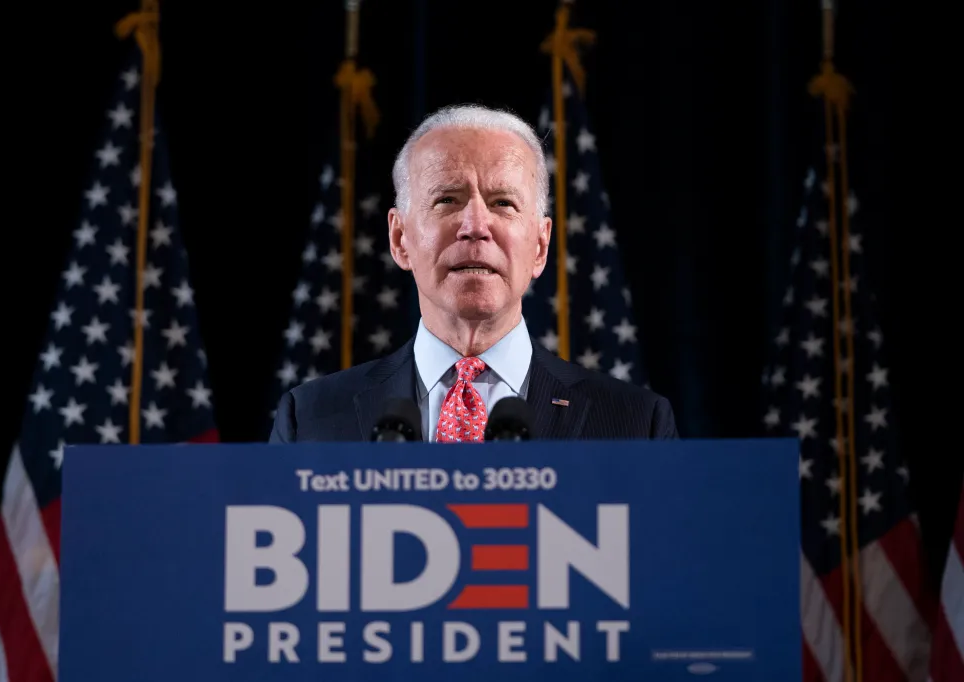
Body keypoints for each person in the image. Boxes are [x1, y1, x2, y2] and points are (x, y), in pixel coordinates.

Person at [269, 104, 678, 442]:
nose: (476, 225)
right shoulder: (309, 421)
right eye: (447, 199)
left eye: (503, 202)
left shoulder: (637, 426)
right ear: (399, 239)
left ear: (539, 245)